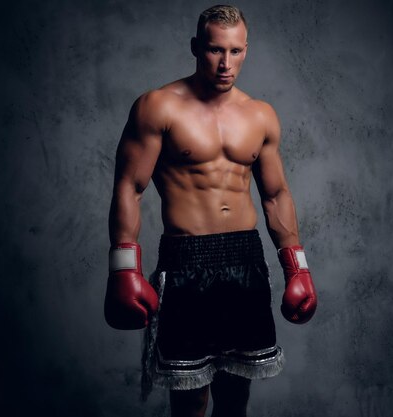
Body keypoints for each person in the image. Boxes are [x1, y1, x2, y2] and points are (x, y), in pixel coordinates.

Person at [104, 5, 317, 417]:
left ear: (246, 50)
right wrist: (123, 268)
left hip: (245, 258)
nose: (226, 64)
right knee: (190, 400)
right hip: (187, 259)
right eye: (216, 50)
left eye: (236, 51)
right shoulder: (158, 107)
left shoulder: (260, 115)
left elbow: (275, 195)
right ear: (196, 47)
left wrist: (298, 268)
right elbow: (130, 187)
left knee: (236, 398)